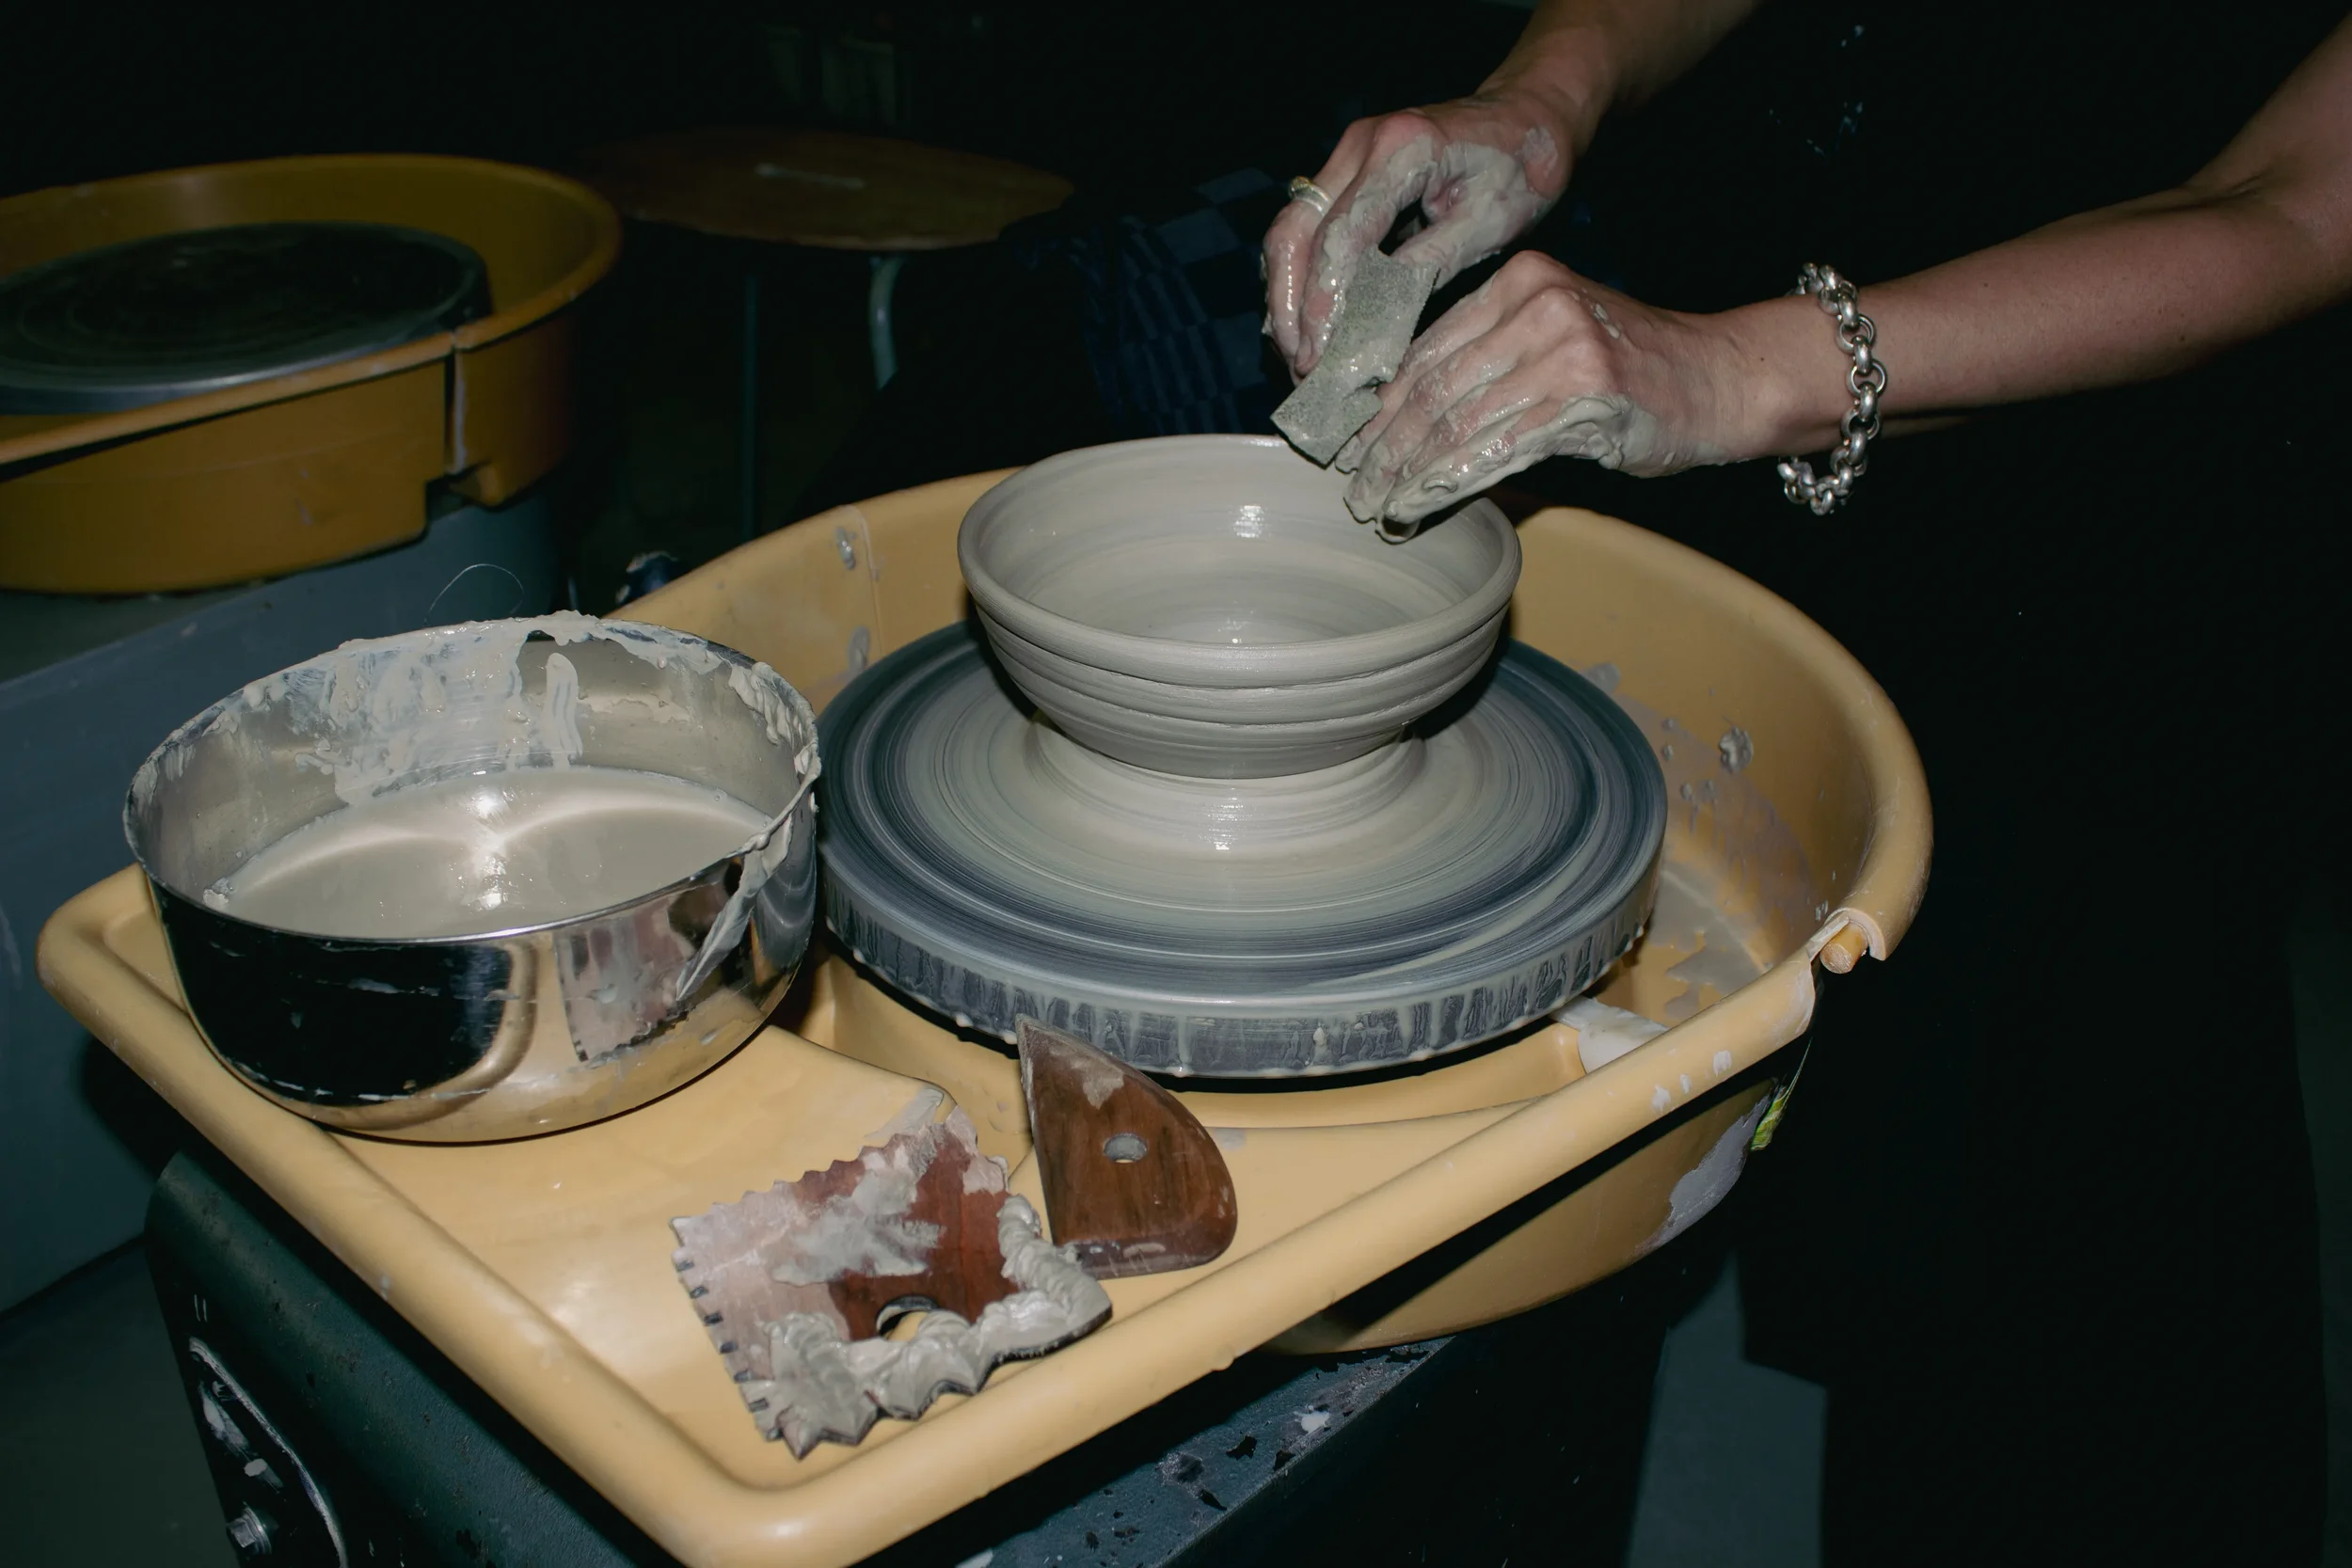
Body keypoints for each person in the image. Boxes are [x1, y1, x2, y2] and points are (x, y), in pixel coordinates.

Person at [1263, 3, 2351, 1559]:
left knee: (2040, 1282)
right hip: (1756, 395)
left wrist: (1729, 368)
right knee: (1671, 1127)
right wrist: (1547, 93)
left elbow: (2298, 205)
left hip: (2123, 549)